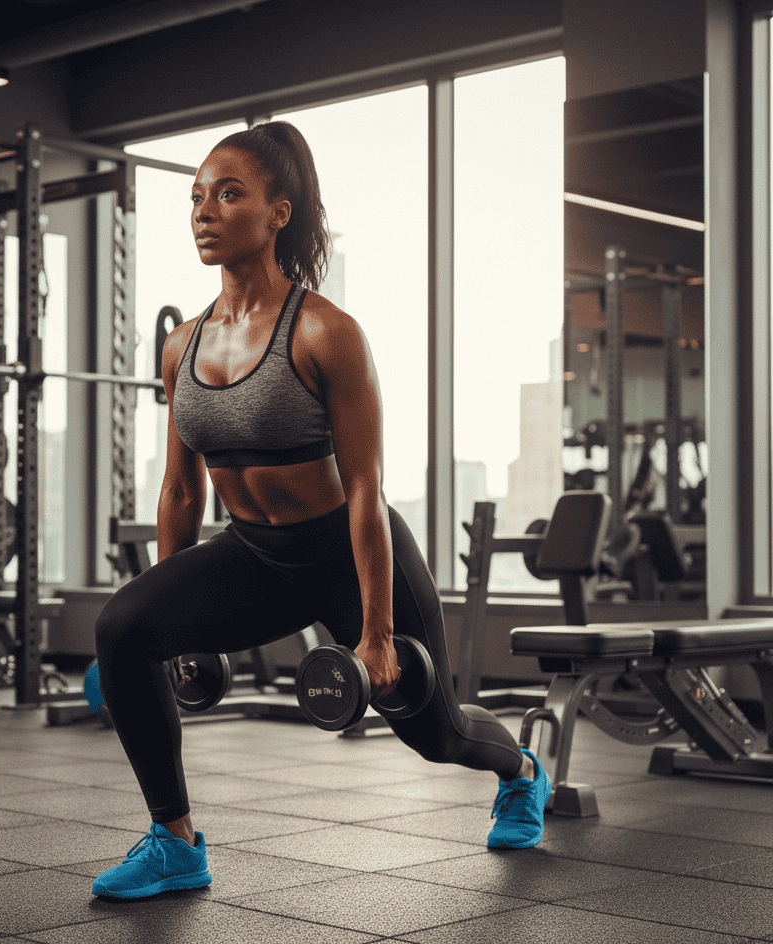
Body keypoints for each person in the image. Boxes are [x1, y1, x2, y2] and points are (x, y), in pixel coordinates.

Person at [91, 122, 550, 900]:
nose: (204, 211)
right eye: (197, 197)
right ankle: (175, 843)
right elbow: (180, 490)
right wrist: (174, 622)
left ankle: (521, 771)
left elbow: (366, 487)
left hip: (346, 551)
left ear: (278, 213)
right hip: (254, 556)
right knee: (124, 628)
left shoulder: (325, 332)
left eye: (228, 194)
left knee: (433, 732)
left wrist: (377, 635)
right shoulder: (180, 347)